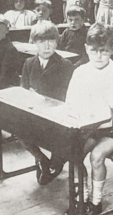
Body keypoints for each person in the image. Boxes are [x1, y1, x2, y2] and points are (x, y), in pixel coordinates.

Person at [65, 24, 113, 215]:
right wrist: (77, 118)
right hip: (88, 128)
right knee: (73, 153)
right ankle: (82, 197)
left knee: (96, 157)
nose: (98, 56)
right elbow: (71, 102)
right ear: (86, 48)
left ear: (112, 50)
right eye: (94, 51)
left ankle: (95, 202)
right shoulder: (80, 72)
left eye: (104, 51)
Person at [19, 21, 75, 185]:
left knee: (59, 138)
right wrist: (29, 96)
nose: (46, 46)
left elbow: (68, 97)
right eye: (41, 41)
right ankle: (41, 159)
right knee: (15, 126)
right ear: (34, 42)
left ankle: (57, 161)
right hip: (35, 113)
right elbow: (23, 89)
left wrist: (46, 100)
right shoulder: (29, 63)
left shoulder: (65, 65)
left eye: (51, 41)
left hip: (57, 117)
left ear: (57, 42)